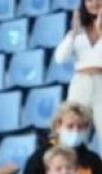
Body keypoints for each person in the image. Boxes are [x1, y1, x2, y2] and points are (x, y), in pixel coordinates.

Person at [18, 102, 102, 174]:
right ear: (58, 126)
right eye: (70, 126)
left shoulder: (93, 160)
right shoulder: (41, 157)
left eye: (81, 126)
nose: (76, 131)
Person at [55, 0, 102, 152]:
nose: (94, 3)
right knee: (74, 130)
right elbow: (60, 58)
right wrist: (73, 33)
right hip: (81, 83)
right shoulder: (78, 31)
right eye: (89, 0)